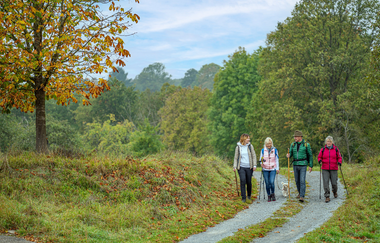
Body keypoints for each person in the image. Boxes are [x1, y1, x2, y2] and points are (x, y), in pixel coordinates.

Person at [286, 130, 313, 202]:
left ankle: (302, 196)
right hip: (295, 164)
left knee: (302, 180)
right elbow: (291, 153)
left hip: (303, 164)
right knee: (297, 180)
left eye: (296, 136)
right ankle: (299, 192)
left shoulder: (306, 145)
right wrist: (288, 155)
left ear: (300, 137)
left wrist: (310, 165)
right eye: (294, 136)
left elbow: (310, 155)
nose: (295, 138)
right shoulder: (293, 145)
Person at [317, 136, 342, 203]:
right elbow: (319, 157)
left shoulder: (336, 149)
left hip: (334, 168)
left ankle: (335, 191)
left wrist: (339, 162)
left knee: (334, 183)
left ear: (332, 142)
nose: (329, 143)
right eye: (328, 141)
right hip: (325, 168)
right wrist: (320, 161)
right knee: (326, 183)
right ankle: (327, 196)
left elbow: (339, 157)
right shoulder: (323, 150)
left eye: (330, 141)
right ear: (326, 142)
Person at [233, 133, 257, 202]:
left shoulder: (250, 146)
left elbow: (253, 156)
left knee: (248, 182)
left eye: (249, 138)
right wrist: (235, 166)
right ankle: (243, 197)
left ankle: (249, 195)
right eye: (247, 138)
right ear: (244, 139)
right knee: (242, 180)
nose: (249, 139)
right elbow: (235, 158)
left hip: (249, 167)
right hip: (241, 167)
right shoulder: (238, 147)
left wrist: (254, 165)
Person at [259, 137, 279, 202]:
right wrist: (261, 163)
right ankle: (269, 195)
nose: (269, 145)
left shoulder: (275, 150)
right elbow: (260, 159)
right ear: (265, 144)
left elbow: (277, 159)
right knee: (267, 183)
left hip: (273, 168)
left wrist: (277, 168)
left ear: (271, 143)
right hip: (265, 168)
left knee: (271, 182)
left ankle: (273, 193)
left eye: (270, 143)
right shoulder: (263, 150)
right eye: (267, 144)